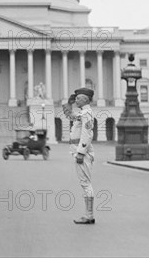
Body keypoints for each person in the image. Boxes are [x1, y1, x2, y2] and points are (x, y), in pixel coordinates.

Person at [62, 87, 95, 224]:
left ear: (85, 99)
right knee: (84, 183)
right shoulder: (82, 113)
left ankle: (89, 215)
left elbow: (87, 134)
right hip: (78, 149)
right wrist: (68, 104)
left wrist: (80, 153)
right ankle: (89, 214)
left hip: (83, 152)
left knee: (85, 183)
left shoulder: (87, 113)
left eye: (78, 98)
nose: (76, 99)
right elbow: (70, 116)